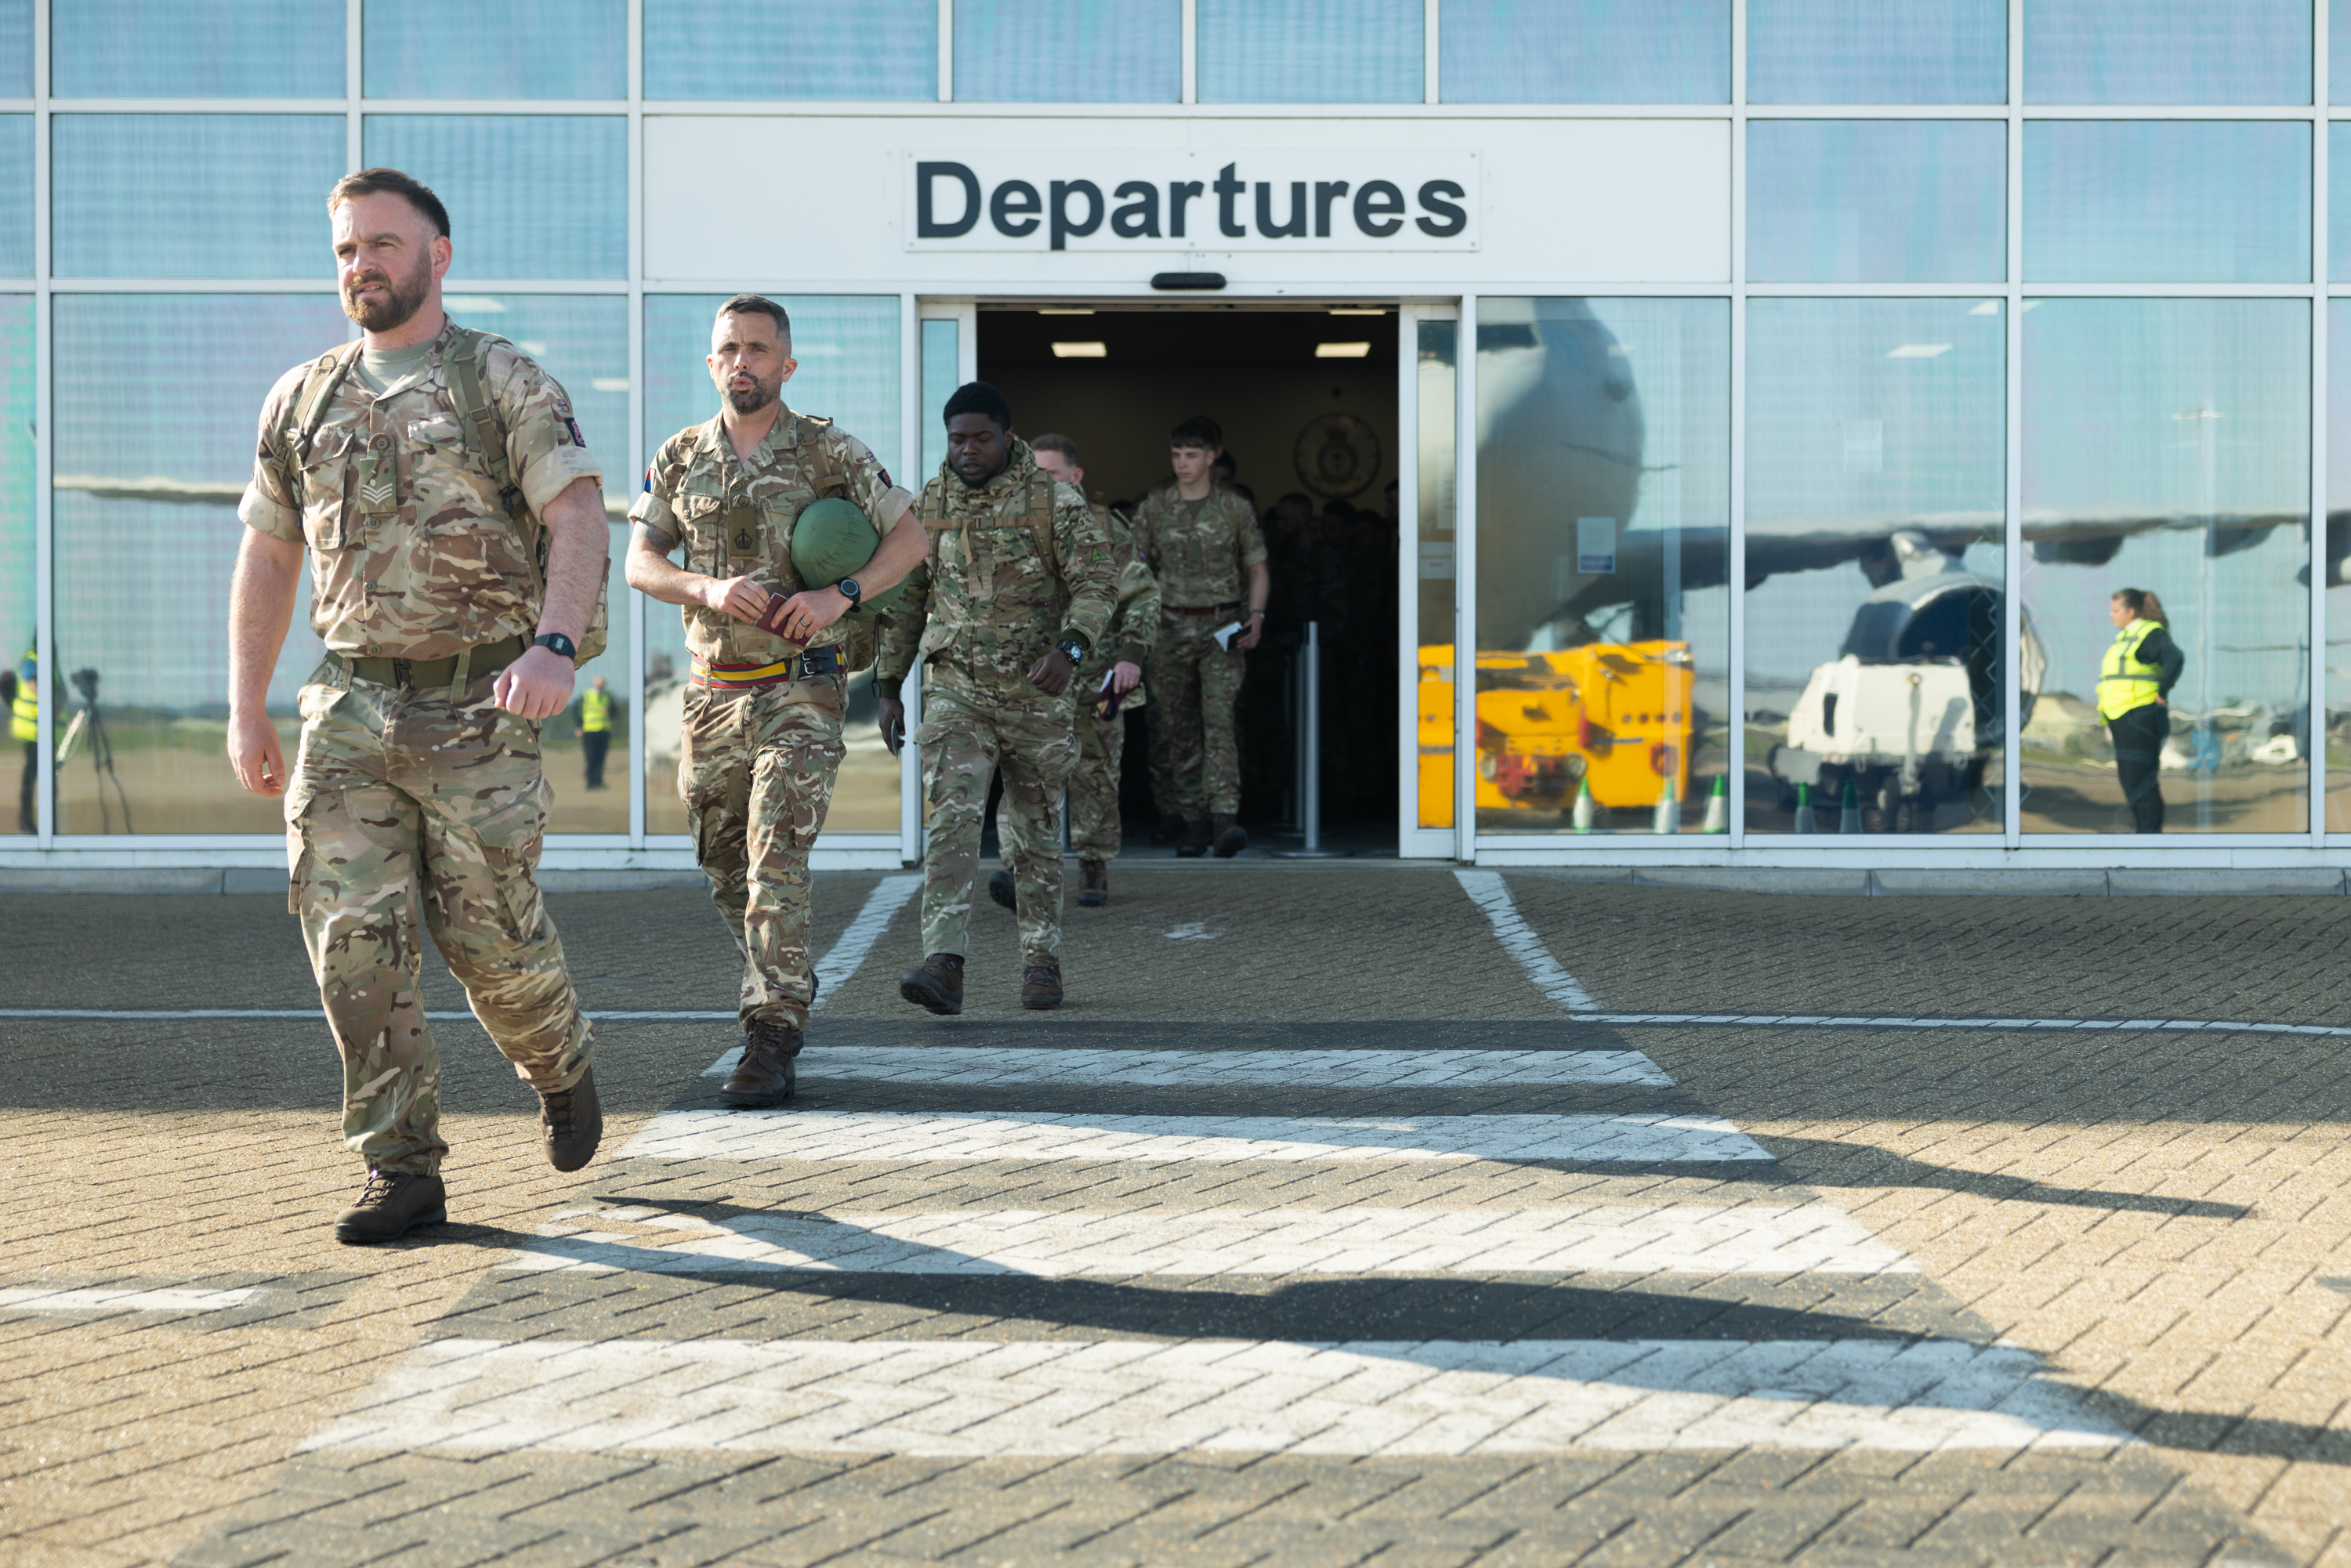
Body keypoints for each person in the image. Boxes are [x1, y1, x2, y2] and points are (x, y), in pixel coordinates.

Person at [226, 168, 609, 1244]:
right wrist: (245, 706)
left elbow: (579, 519)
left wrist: (553, 645)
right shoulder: (302, 398)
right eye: (347, 249)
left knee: (493, 949)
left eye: (383, 245)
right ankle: (402, 1167)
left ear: (438, 255)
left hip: (481, 706)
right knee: (351, 939)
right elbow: (266, 554)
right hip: (348, 710)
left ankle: (558, 1058)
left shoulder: (500, 380)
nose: (363, 265)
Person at [627, 295, 924, 1105]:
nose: (743, 362)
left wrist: (843, 595)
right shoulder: (681, 455)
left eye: (759, 349)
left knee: (773, 859)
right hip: (711, 696)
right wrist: (705, 586)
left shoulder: (830, 452)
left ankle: (771, 1030)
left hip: (801, 690)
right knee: (725, 866)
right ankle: (784, 969)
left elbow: (913, 535)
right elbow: (640, 561)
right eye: (730, 349)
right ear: (713, 361)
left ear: (786, 365)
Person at [878, 383, 1117, 1014]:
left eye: (982, 437)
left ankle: (1041, 961)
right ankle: (945, 962)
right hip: (957, 689)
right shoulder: (929, 504)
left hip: (1036, 692)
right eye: (958, 438)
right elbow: (907, 599)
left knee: (1033, 832)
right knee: (951, 820)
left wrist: (1071, 649)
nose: (969, 450)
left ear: (1008, 437)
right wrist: (887, 683)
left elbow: (1097, 580)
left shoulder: (1051, 500)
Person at [1013, 434, 1157, 907]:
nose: (1042, 483)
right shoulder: (1016, 525)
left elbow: (1141, 594)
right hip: (1034, 675)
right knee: (1026, 771)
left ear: (1075, 478)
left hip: (1095, 673)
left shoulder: (1105, 529)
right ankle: (1020, 869)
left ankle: (1093, 863)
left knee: (1095, 772)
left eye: (1051, 475)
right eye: (1034, 475)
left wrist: (1131, 656)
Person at [1130, 415, 1270, 857]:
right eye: (1177, 455)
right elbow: (1135, 569)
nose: (1183, 464)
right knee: (1178, 728)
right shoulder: (1155, 506)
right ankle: (1193, 820)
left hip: (1222, 627)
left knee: (1219, 720)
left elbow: (1258, 569)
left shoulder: (1234, 508)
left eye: (1192, 455)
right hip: (1169, 627)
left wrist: (1257, 616)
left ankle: (1224, 817)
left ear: (1213, 457)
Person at [2099, 587, 2184, 834]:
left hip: (2141, 717)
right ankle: (2144, 836)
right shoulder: (2126, 637)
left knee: (2141, 782)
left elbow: (2174, 658)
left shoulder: (2148, 633)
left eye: (2115, 610)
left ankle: (2150, 840)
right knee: (2131, 781)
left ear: (2131, 611)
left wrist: (2163, 692)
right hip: (2124, 717)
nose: (2110, 615)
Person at [572, 675, 614, 790]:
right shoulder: (586, 695)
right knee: (591, 757)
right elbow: (576, 710)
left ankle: (598, 781)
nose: (601, 686)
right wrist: (578, 726)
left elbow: (616, 713)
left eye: (603, 684)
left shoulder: (608, 696)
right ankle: (590, 782)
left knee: (601, 757)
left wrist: (609, 711)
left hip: (604, 730)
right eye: (599, 684)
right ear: (594, 684)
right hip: (589, 731)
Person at [9, 643, 33, 835]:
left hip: (40, 730)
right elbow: (35, 686)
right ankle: (26, 820)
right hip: (33, 731)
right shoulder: (32, 659)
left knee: (35, 777)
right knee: (30, 778)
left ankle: (29, 820)